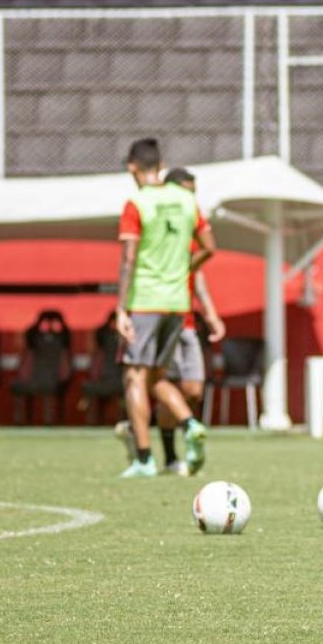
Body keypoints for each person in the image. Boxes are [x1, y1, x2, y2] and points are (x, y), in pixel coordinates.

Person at [115, 139, 214, 478]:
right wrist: (183, 269)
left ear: (132, 167)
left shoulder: (136, 202)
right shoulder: (187, 200)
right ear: (161, 163)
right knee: (158, 377)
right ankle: (189, 424)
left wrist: (120, 309)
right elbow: (208, 246)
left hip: (145, 300)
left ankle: (144, 458)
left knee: (134, 376)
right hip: (177, 304)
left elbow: (128, 259)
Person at [155, 168, 226, 475]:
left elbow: (197, 278)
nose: (191, 198)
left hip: (186, 322)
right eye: (187, 190)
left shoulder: (187, 235)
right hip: (161, 317)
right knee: (163, 382)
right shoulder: (160, 225)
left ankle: (178, 422)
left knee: (194, 389)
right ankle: (171, 455)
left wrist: (210, 315)